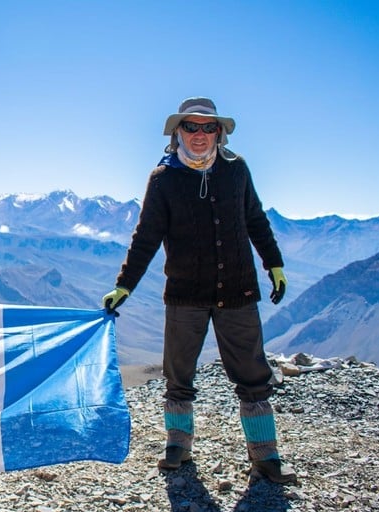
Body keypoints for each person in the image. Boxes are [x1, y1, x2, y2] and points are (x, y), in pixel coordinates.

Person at [102, 97, 296, 484]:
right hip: (185, 294)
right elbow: (146, 237)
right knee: (179, 374)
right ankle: (178, 446)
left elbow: (255, 218)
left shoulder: (236, 170)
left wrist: (274, 263)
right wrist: (124, 285)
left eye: (209, 127)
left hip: (238, 292)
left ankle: (266, 456)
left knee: (252, 375)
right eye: (191, 127)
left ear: (220, 133)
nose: (200, 135)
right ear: (178, 132)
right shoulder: (164, 178)